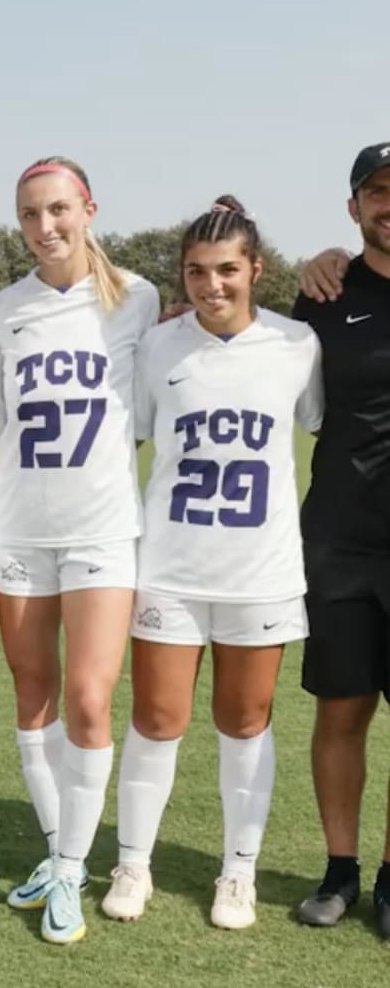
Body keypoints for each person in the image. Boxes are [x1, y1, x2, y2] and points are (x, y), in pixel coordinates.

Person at [102, 198, 323, 930]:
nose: (212, 285)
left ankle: (238, 872)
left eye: (227, 269)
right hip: (170, 563)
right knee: (157, 717)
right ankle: (133, 861)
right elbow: (119, 441)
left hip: (259, 568)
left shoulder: (298, 345)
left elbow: (328, 422)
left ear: (256, 269)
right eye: (196, 271)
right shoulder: (160, 347)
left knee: (245, 719)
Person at [0, 156, 159, 945]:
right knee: (33, 695)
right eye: (29, 214)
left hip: (101, 527)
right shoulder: (0, 308)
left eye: (58, 209)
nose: (44, 227)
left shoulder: (139, 300)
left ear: (89, 208)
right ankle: (61, 857)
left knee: (89, 698)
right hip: (19, 526)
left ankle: (73, 867)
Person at [287, 143, 390, 937]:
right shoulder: (322, 296)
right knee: (342, 710)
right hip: (340, 541)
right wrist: (310, 268)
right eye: (378, 192)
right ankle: (340, 869)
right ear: (354, 207)